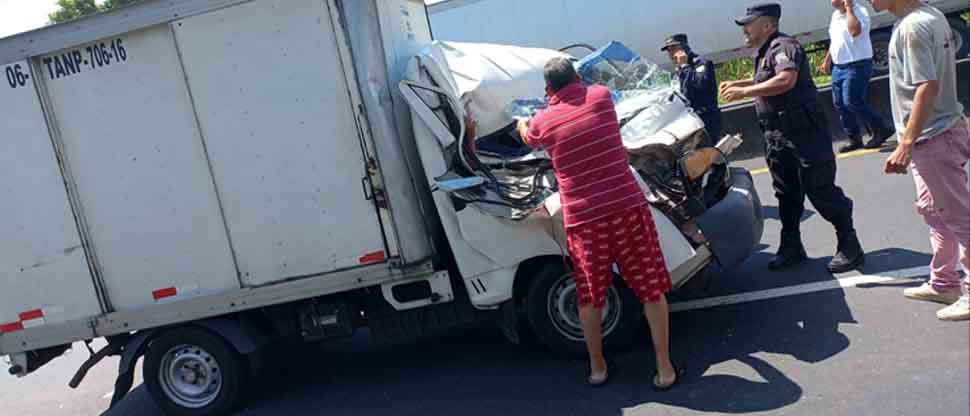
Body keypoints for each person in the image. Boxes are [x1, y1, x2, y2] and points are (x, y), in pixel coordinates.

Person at [514, 58, 681, 389]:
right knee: (650, 288)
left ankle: (598, 368)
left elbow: (528, 138)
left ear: (548, 90)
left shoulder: (543, 122)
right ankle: (664, 368)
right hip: (626, 208)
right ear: (577, 77)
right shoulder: (602, 96)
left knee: (590, 296)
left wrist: (522, 121)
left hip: (584, 219)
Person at [720, 3, 865, 273]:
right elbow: (768, 79)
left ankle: (850, 245)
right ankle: (791, 246)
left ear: (768, 25)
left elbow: (785, 80)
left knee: (820, 188)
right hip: (777, 135)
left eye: (749, 24)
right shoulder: (764, 52)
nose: (744, 30)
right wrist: (740, 84)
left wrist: (745, 92)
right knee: (786, 193)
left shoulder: (785, 46)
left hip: (804, 134)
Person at [873, 0, 969, 321]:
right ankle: (944, 282)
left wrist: (906, 142)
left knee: (958, 217)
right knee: (933, 211)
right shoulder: (930, 15)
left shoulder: (912, 26)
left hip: (933, 137)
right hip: (940, 132)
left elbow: (927, 87)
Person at [821, 0, 896, 153]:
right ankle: (854, 139)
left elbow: (855, 31)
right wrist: (827, 60)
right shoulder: (835, 15)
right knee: (840, 104)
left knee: (852, 101)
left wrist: (849, 7)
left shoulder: (859, 11)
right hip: (839, 66)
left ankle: (882, 129)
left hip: (857, 64)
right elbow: (835, 40)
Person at [662, 33, 724, 147]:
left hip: (706, 118)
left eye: (674, 48)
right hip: (690, 119)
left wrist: (685, 66)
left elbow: (699, 85)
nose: (671, 53)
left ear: (684, 47)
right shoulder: (679, 69)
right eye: (668, 50)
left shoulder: (701, 63)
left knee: (709, 154)